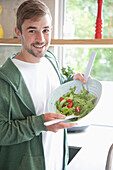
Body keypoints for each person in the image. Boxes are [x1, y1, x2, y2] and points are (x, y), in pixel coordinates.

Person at [0, 0, 86, 170]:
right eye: (32, 31)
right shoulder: (5, 80)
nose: (41, 39)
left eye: (45, 30)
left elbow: (53, 96)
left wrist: (72, 83)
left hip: (57, 161)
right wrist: (39, 124)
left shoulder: (50, 60)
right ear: (19, 32)